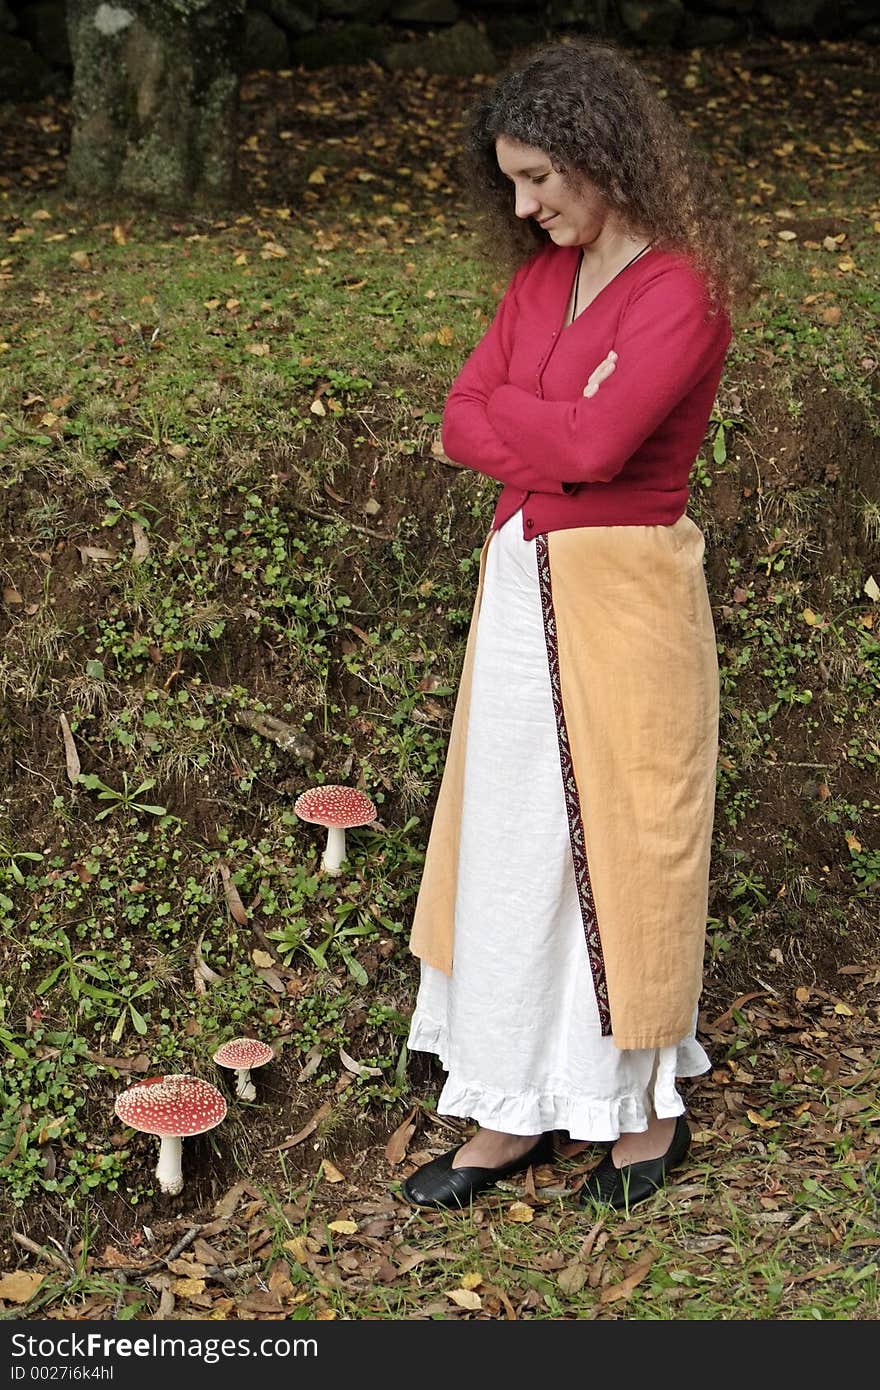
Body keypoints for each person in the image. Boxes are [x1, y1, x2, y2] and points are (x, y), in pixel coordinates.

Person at [400, 38, 753, 1212]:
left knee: (625, 838)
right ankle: (505, 1108)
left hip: (629, 592)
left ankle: (637, 1107)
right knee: (515, 842)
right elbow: (458, 420)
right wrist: (542, 418)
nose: (525, 204)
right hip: (522, 581)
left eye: (543, 177)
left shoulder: (680, 287)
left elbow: (603, 451)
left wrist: (534, 417)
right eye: (510, 181)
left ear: (606, 157)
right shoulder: (539, 281)